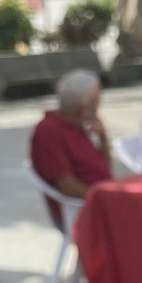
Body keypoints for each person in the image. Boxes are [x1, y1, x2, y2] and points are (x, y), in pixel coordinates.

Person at [29, 69, 110, 226]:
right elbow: (67, 186)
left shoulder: (76, 125)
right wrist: (104, 198)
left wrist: (103, 139)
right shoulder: (48, 131)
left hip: (100, 201)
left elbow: (105, 170)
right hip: (81, 211)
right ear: (83, 109)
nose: (99, 106)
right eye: (97, 102)